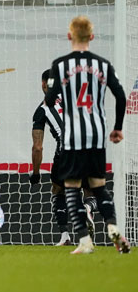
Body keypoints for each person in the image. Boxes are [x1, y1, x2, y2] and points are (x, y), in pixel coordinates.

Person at [44, 16, 130, 254]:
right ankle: (112, 228)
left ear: (69, 36)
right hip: (96, 135)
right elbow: (121, 96)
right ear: (91, 37)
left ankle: (84, 241)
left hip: (72, 137)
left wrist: (55, 85)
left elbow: (50, 100)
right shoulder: (103, 64)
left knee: (72, 187)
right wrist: (118, 127)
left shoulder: (59, 66)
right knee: (98, 186)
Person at [30, 69, 98, 246]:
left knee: (58, 190)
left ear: (44, 84)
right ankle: (88, 207)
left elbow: (37, 147)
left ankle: (64, 236)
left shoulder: (42, 109)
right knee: (90, 190)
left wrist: (36, 173)